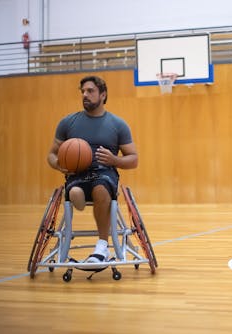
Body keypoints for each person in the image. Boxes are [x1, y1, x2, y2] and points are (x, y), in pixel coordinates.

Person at [47, 75, 138, 264]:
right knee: (76, 190)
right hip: (76, 173)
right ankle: (77, 195)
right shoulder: (67, 123)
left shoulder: (117, 124)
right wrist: (58, 164)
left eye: (90, 91)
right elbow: (51, 155)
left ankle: (102, 247)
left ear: (103, 95)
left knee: (100, 189)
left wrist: (114, 159)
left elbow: (133, 159)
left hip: (105, 173)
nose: (85, 95)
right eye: (83, 92)